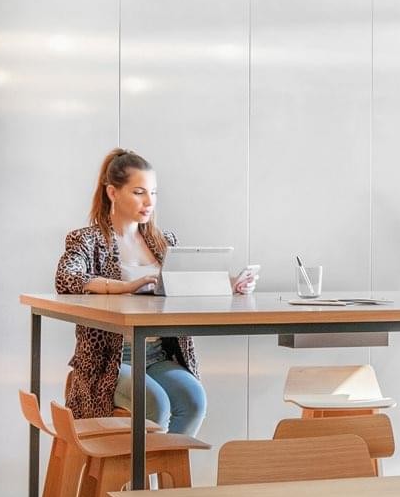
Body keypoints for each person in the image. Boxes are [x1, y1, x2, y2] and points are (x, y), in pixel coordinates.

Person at [55, 147, 254, 434]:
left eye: (154, 192)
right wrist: (125, 287)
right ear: (113, 193)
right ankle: (144, 479)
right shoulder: (88, 240)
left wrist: (231, 285)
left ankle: (167, 472)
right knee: (156, 404)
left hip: (157, 356)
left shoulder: (163, 242)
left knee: (194, 400)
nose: (150, 201)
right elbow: (67, 278)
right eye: (139, 192)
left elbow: (186, 284)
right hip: (111, 360)